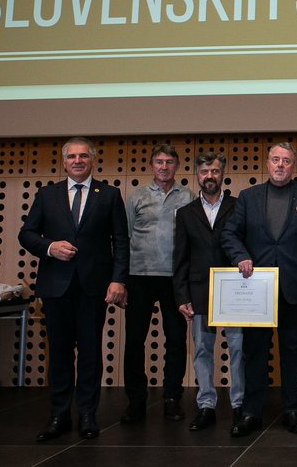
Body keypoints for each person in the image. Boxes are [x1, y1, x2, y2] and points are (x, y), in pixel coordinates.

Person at [18, 137, 129, 441]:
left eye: (83, 156)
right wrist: (50, 247)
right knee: (60, 354)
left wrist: (118, 280)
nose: (77, 161)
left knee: (91, 353)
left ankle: (88, 416)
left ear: (93, 160)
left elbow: (120, 241)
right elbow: (26, 234)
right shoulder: (47, 195)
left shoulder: (108, 194)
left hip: (93, 287)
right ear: (64, 161)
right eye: (72, 157)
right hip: (56, 287)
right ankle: (58, 415)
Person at [220, 143, 297, 435]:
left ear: (294, 166)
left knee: (291, 350)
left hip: (294, 287)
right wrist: (240, 256)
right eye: (275, 159)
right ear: (267, 163)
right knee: (255, 352)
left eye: (286, 161)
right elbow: (230, 233)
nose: (280, 165)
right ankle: (251, 412)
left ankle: (291, 409)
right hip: (256, 290)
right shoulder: (248, 197)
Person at [171, 152, 245, 434]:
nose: (209, 176)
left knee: (238, 349)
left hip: (234, 290)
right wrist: (181, 297)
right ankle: (206, 406)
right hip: (199, 291)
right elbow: (180, 259)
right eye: (204, 172)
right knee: (202, 350)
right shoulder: (186, 213)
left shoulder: (239, 207)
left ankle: (239, 404)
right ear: (197, 175)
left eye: (214, 170)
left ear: (222, 172)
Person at [122, 144, 194, 423]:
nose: (164, 167)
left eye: (169, 162)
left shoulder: (187, 196)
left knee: (175, 340)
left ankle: (172, 398)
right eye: (159, 162)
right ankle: (136, 401)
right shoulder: (137, 196)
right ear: (152, 165)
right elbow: (125, 237)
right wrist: (122, 280)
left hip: (174, 278)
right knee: (134, 341)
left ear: (177, 166)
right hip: (139, 277)